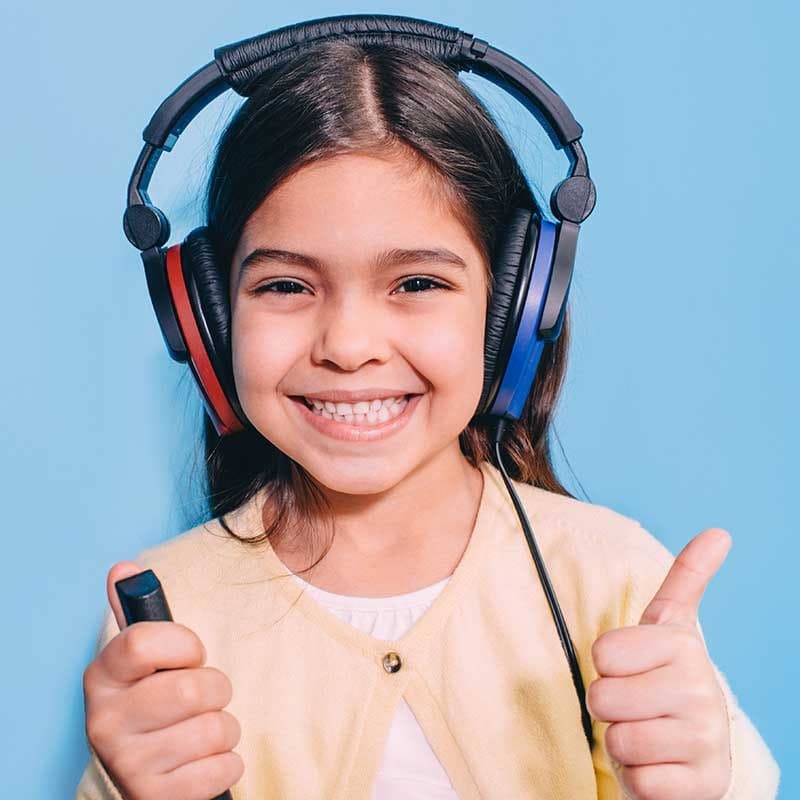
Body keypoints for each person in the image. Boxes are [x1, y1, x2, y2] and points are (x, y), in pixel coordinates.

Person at [77, 39, 780, 800]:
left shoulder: (614, 578)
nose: (347, 348)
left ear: (513, 310)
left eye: (415, 281)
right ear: (207, 323)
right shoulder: (165, 613)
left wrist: (705, 781)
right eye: (285, 285)